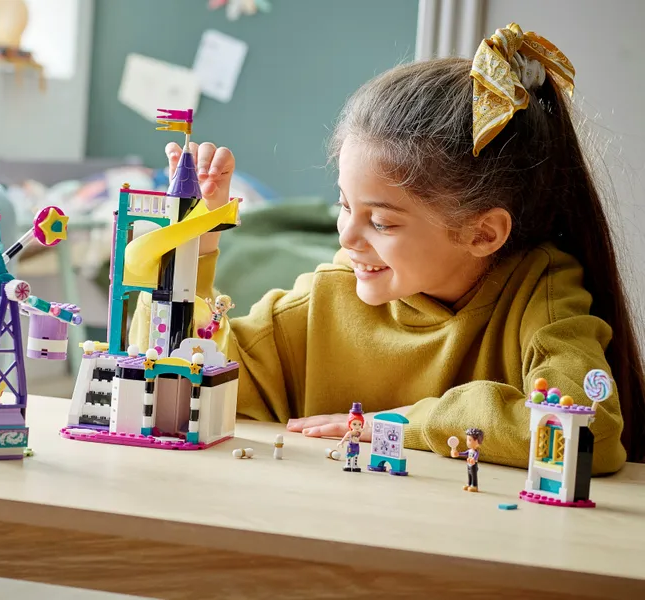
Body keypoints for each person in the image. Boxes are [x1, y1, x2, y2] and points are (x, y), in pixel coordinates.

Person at [131, 23, 645, 473]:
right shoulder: (325, 301)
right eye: (343, 205)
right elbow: (171, 373)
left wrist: (398, 424)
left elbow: (589, 432)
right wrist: (190, 255)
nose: (347, 237)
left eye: (380, 221)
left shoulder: (542, 296)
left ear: (483, 234)